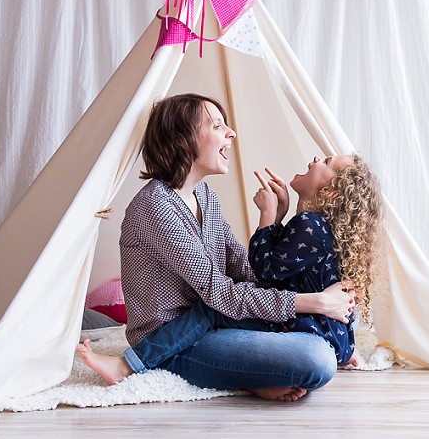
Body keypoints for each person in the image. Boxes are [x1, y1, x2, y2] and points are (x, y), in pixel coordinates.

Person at [76, 93, 354, 401]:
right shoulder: (156, 207)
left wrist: (276, 220)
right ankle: (139, 364)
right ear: (183, 139)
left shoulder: (205, 196)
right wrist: (314, 303)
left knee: (317, 342)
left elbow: (246, 272)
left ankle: (249, 378)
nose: (231, 133)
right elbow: (219, 293)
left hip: (218, 323)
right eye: (218, 125)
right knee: (317, 360)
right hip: (174, 339)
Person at [248, 154, 383, 366]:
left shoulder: (308, 224)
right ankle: (344, 351)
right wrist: (280, 215)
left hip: (312, 334)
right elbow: (286, 266)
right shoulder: (321, 227)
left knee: (218, 316)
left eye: (327, 162)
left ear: (332, 192)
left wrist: (267, 214)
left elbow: (265, 271)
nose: (316, 158)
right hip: (335, 334)